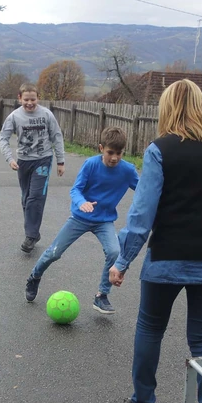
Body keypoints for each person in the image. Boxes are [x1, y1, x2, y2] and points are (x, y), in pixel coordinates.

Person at [109, 79, 202, 403]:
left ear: (166, 108)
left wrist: (122, 262)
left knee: (150, 328)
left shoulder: (159, 150)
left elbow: (142, 213)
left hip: (168, 257)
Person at [24, 127, 139, 314]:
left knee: (114, 251)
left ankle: (101, 295)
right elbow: (75, 190)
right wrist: (82, 202)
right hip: (80, 217)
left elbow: (144, 190)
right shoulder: (91, 164)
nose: (115, 158)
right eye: (110, 152)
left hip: (104, 221)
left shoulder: (127, 170)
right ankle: (34, 276)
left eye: (119, 153)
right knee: (54, 253)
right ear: (101, 148)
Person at [0, 84, 65, 254]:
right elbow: (3, 139)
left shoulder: (46, 114)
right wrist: (10, 159)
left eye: (33, 99)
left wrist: (60, 161)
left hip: (43, 160)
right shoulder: (14, 116)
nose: (29, 103)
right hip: (23, 162)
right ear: (19, 98)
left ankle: (30, 235)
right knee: (26, 199)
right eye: (26, 99)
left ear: (38, 98)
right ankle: (34, 234)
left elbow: (56, 136)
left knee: (35, 197)